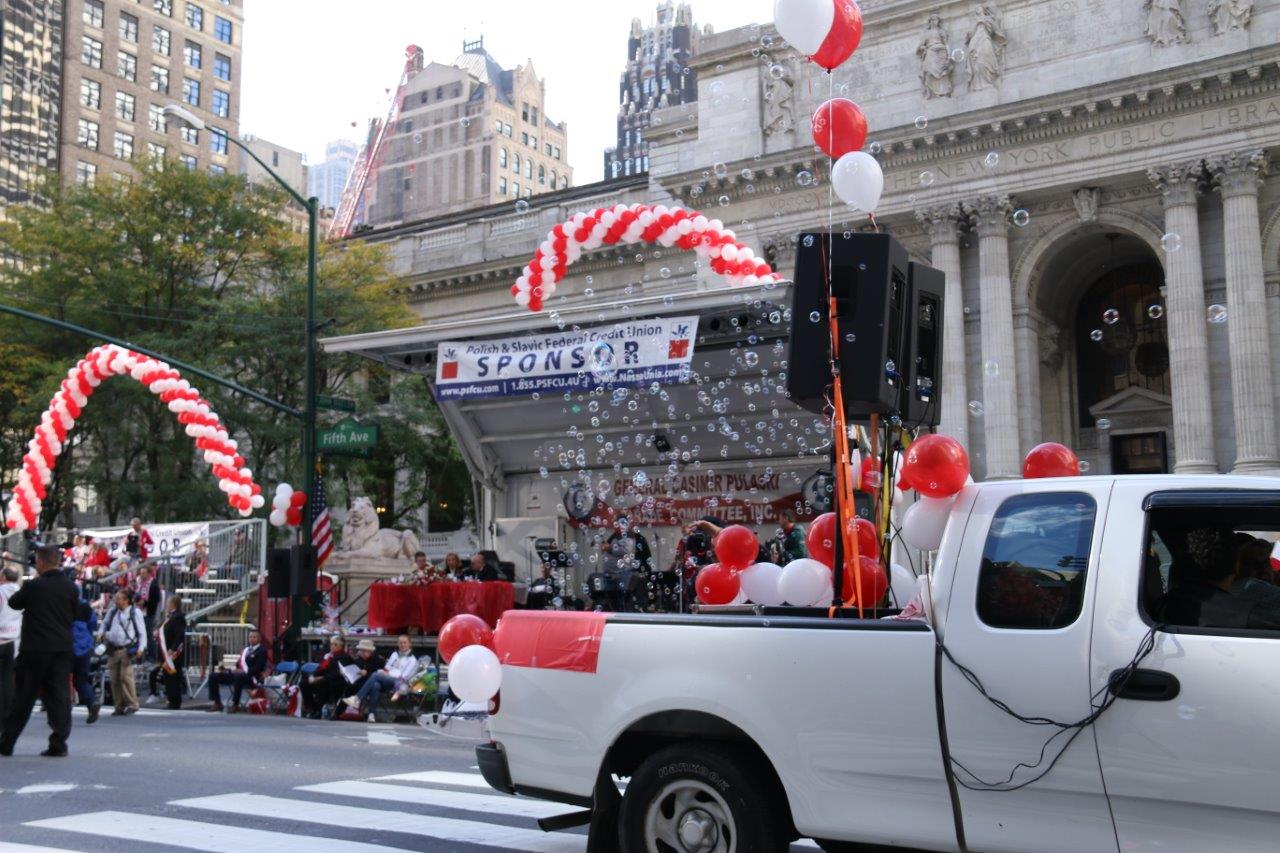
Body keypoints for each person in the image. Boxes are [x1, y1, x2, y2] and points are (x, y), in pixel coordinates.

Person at [0, 544, 80, 757]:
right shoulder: (71, 587)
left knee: (23, 696)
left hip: (35, 648)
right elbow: (75, 613)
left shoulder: (34, 586)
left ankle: (7, 742)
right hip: (62, 647)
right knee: (59, 695)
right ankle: (59, 742)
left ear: (41, 563)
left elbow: (14, 603)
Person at [343, 634, 416, 721]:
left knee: (375, 675)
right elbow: (387, 667)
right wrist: (385, 672)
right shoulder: (394, 654)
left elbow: (404, 676)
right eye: (400, 643)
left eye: (404, 643)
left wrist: (388, 673)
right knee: (375, 685)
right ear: (397, 644)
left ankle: (357, 698)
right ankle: (371, 714)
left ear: (409, 644)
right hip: (387, 680)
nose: (402, 645)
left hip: (400, 684)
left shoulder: (412, 659)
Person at [98, 589, 147, 716]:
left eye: (119, 598)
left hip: (126, 649)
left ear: (126, 601)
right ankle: (118, 706)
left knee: (125, 677)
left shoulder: (135, 612)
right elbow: (105, 623)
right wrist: (100, 633)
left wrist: (141, 648)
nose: (116, 600)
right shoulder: (113, 611)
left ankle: (132, 704)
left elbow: (142, 632)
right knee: (114, 679)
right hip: (113, 649)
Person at [206, 629, 267, 713]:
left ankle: (235, 704)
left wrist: (243, 671)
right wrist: (230, 670)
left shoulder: (262, 650)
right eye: (250, 637)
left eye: (254, 637)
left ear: (259, 639)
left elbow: (258, 667)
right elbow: (238, 664)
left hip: (252, 678)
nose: (252, 639)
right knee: (213, 676)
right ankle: (217, 703)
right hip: (239, 675)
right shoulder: (246, 650)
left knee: (239, 676)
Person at [148, 595, 186, 710]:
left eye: (168, 603)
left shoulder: (178, 617)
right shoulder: (169, 617)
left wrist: (172, 649)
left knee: (173, 677)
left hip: (172, 653)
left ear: (173, 604)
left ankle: (175, 702)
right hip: (165, 652)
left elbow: (179, 635)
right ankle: (171, 700)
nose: (166, 605)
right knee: (168, 677)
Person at [302, 635, 353, 719]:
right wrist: (313, 676)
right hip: (325, 679)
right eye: (331, 644)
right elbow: (320, 668)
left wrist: (321, 678)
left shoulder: (345, 657)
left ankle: (318, 710)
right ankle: (313, 708)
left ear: (341, 646)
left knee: (322, 683)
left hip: (337, 682)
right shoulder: (328, 656)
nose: (332, 646)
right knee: (304, 683)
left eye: (335, 644)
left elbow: (337, 674)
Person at [70, 598, 100, 724]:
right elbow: (93, 622)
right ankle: (91, 702)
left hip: (68, 646)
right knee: (81, 680)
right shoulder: (84, 605)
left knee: (61, 679)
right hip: (84, 646)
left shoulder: (62, 602)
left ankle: (63, 709)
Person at [0, 566, 22, 727]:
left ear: (3, 577)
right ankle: (6, 716)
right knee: (8, 680)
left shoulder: (1, 592)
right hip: (15, 640)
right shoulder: (22, 592)